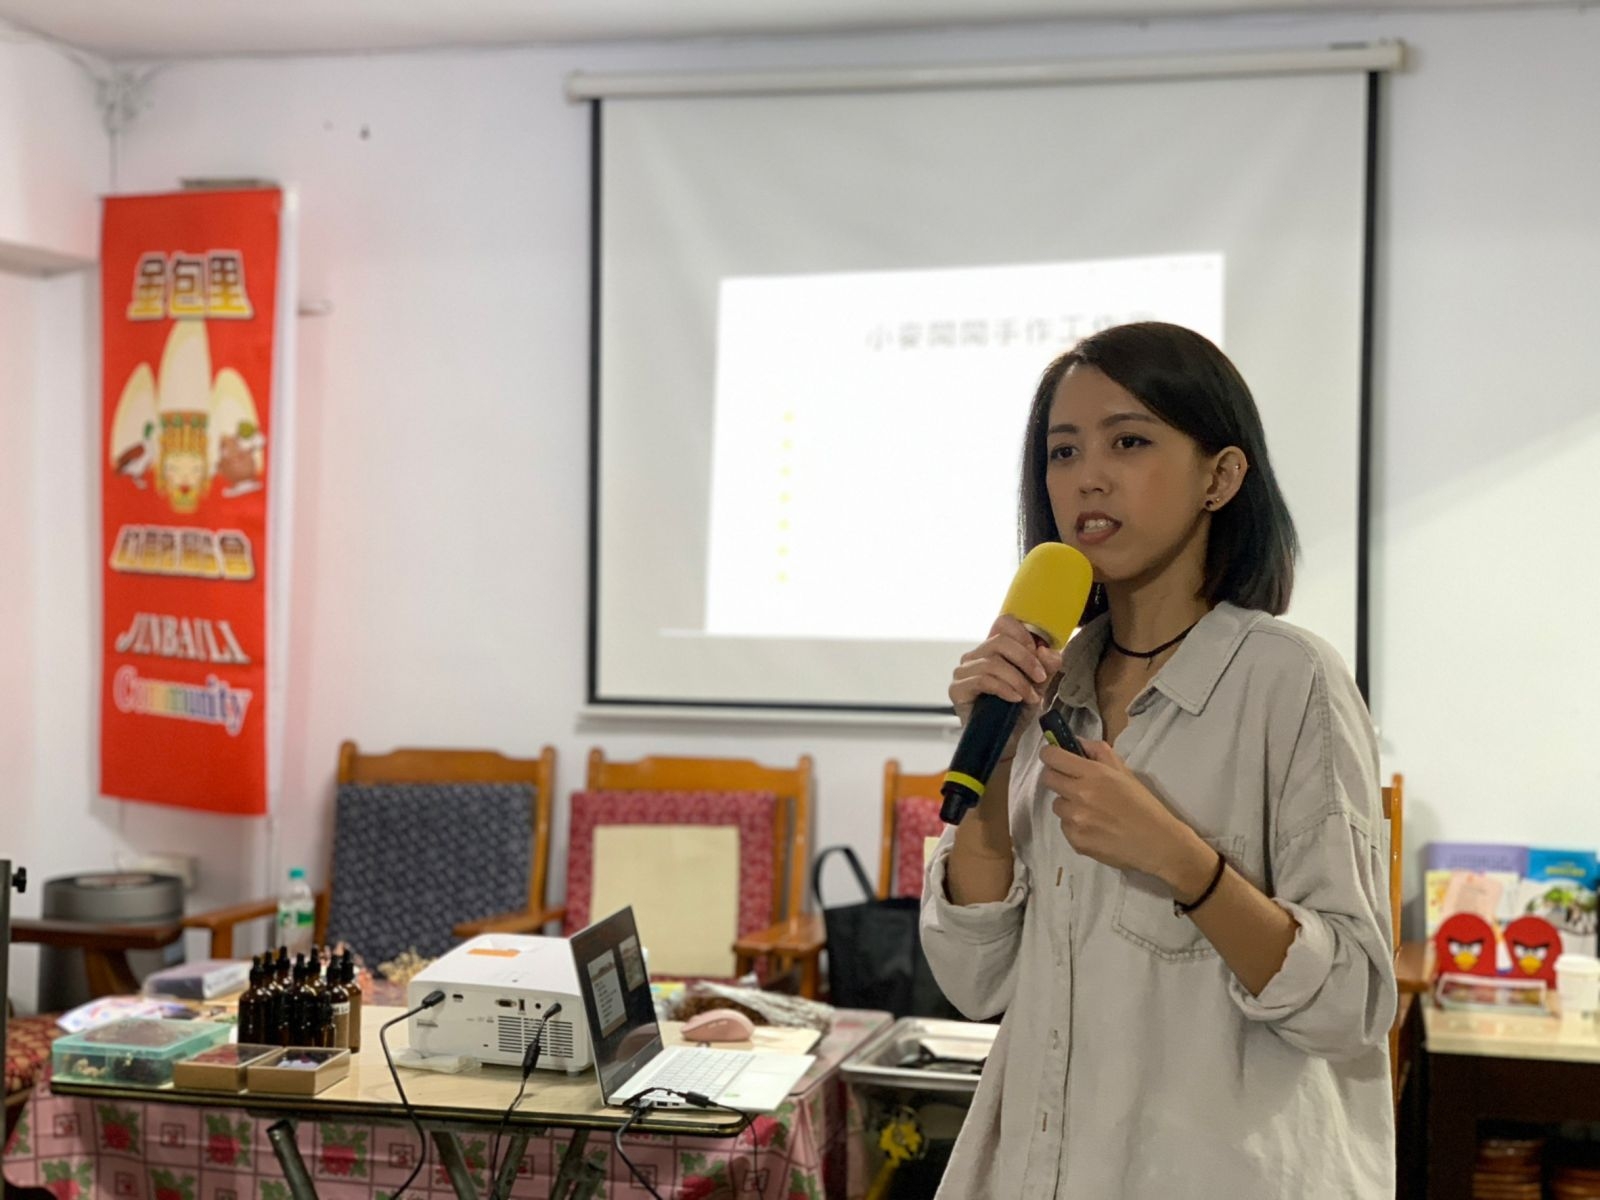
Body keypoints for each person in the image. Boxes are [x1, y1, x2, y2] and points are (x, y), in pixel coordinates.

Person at [920, 322, 1395, 1198]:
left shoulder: (1290, 680)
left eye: (1129, 442)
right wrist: (992, 771)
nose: (1087, 478)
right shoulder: (1046, 685)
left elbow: (1351, 1006)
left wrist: (1180, 859)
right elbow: (974, 980)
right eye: (1063, 452)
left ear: (1221, 476)